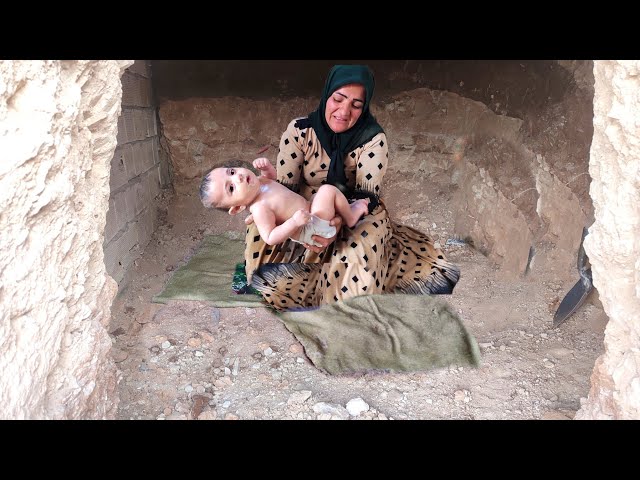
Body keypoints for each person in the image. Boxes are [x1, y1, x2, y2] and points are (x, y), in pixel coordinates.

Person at [243, 64, 460, 310]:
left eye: (356, 105)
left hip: (354, 209)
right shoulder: (300, 131)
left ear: (364, 107)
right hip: (301, 207)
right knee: (263, 240)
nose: (344, 112)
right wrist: (296, 221)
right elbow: (285, 187)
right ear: (327, 95)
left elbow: (366, 195)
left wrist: (336, 221)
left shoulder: (372, 138)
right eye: (338, 99)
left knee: (355, 272)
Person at [199, 157, 370, 247]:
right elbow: (270, 237)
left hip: (308, 211)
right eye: (231, 188)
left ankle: (343, 209)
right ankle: (351, 216)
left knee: (324, 194)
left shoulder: (259, 183)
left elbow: (274, 182)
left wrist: (267, 170)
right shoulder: (259, 209)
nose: (239, 177)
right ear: (237, 208)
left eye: (232, 171)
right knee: (327, 191)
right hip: (310, 228)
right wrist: (294, 222)